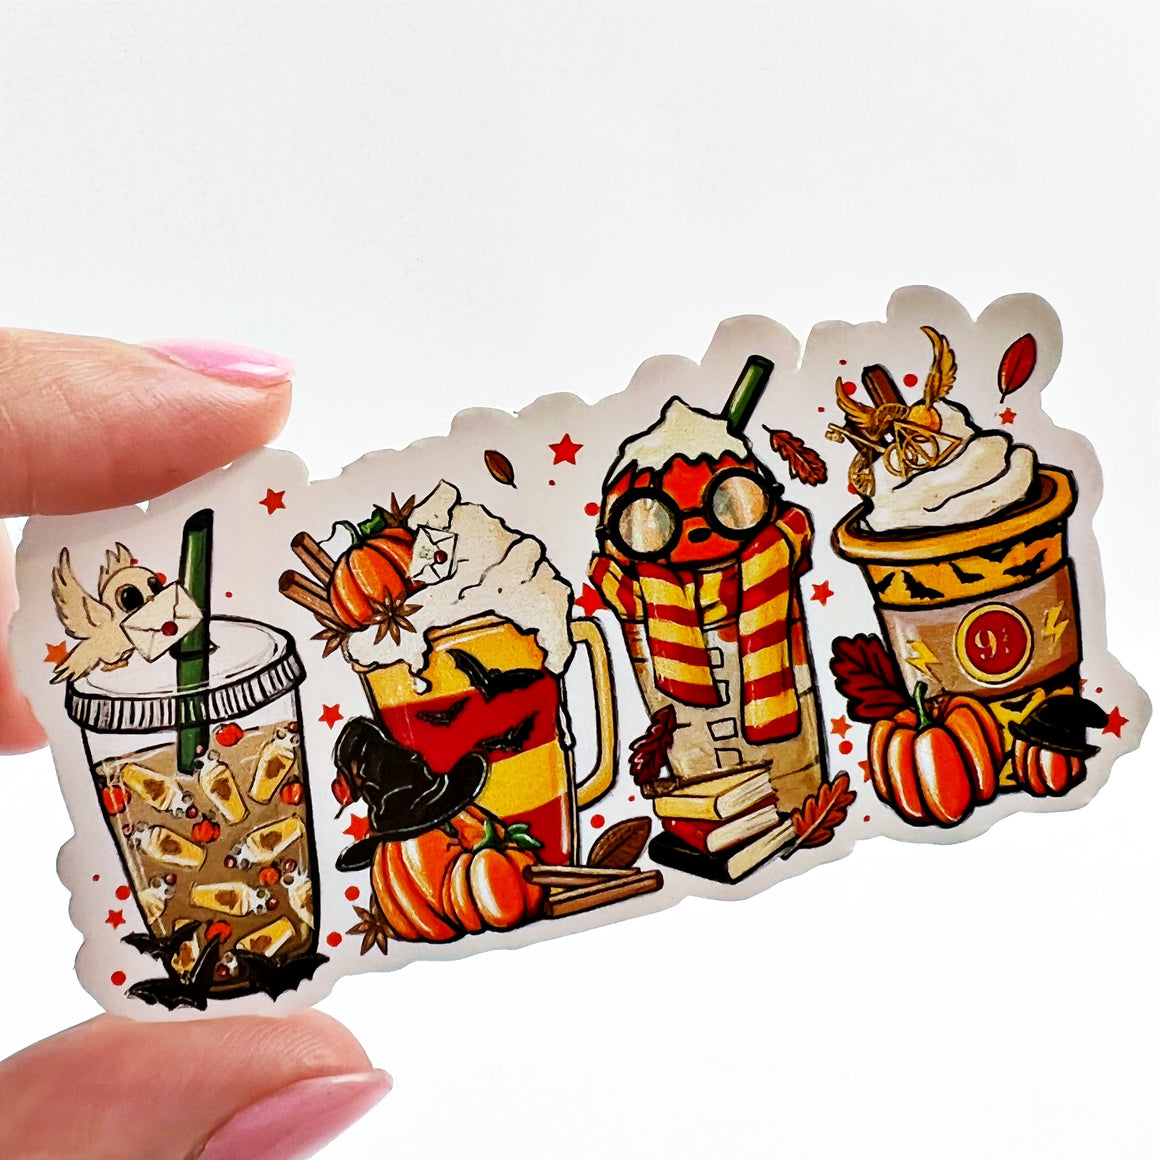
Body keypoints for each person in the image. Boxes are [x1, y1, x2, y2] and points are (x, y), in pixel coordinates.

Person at [0, 331, 389, 1159]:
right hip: (136, 756)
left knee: (253, 835)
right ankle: (194, 951)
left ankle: (267, 942)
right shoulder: (107, 665)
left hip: (253, 793)